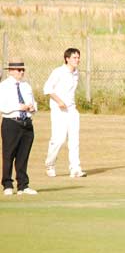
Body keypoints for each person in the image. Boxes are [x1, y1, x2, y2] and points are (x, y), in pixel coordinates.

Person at [43, 47, 86, 178]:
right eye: (74, 57)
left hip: (72, 110)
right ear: (67, 59)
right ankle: (50, 164)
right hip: (58, 110)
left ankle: (75, 168)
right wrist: (59, 101)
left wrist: (68, 104)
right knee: (59, 139)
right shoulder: (58, 72)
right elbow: (47, 89)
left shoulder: (76, 73)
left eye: (78, 57)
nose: (77, 60)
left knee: (74, 140)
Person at [0, 60, 38, 196]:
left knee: (23, 155)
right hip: (11, 122)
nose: (21, 72)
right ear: (10, 71)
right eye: (18, 70)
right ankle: (7, 184)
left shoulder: (26, 86)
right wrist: (18, 106)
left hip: (26, 122)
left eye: (23, 70)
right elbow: (2, 106)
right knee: (9, 154)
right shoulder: (4, 86)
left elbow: (33, 102)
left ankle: (23, 185)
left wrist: (33, 108)